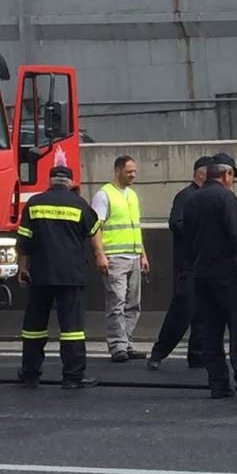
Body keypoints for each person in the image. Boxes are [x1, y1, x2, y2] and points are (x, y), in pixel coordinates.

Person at [14, 158, 110, 389]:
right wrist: (100, 256)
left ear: (49, 181)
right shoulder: (79, 204)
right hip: (70, 274)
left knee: (34, 326)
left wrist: (23, 268)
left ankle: (30, 373)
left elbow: (24, 241)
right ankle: (73, 377)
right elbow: (94, 231)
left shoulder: (35, 204)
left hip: (40, 274)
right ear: (70, 182)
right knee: (72, 328)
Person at [183, 153, 237, 399]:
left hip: (201, 274)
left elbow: (186, 237)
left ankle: (218, 384)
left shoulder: (191, 200)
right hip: (228, 273)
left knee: (210, 331)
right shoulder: (226, 198)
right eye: (232, 177)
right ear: (227, 174)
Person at [147, 156, 213, 370]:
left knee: (203, 313)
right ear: (200, 173)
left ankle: (198, 355)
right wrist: (201, 233)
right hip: (188, 266)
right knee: (182, 311)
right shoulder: (186, 196)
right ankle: (158, 353)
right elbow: (176, 223)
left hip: (204, 264)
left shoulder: (207, 197)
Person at [91, 155, 149, 363]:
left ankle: (127, 342)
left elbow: (135, 227)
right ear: (118, 171)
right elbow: (96, 227)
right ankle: (117, 346)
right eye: (129, 171)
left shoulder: (132, 195)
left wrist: (143, 254)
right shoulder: (104, 195)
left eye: (134, 171)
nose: (133, 175)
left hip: (133, 256)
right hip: (114, 257)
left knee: (133, 304)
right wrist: (100, 255)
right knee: (117, 302)